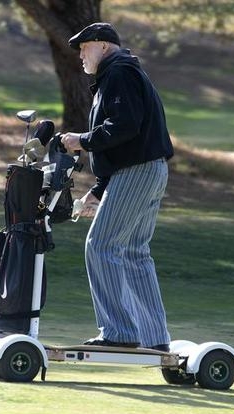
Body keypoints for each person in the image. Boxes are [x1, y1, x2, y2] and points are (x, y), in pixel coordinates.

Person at [61, 22, 174, 352]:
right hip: (147, 170)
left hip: (137, 172)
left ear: (104, 46)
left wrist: (80, 141)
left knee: (101, 246)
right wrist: (99, 189)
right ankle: (154, 338)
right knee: (135, 253)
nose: (80, 54)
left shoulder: (118, 71)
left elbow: (124, 126)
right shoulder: (118, 72)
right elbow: (128, 137)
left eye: (85, 47)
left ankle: (119, 332)